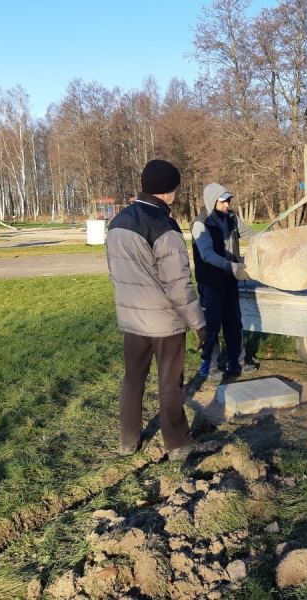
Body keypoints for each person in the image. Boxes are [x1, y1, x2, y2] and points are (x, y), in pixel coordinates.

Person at [106, 159, 217, 461]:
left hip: (132, 319)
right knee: (170, 384)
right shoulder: (164, 226)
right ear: (168, 192)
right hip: (165, 321)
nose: (176, 194)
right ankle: (179, 445)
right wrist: (199, 323)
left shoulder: (117, 222)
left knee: (133, 380)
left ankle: (128, 441)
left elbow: (114, 272)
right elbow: (178, 283)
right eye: (176, 189)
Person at [191, 182, 257, 380]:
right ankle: (209, 367)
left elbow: (249, 235)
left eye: (228, 200)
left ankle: (237, 362)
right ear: (212, 202)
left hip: (230, 280)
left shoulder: (231, 217)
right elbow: (207, 254)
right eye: (223, 201)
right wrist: (233, 266)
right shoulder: (200, 224)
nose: (227, 204)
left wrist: (268, 240)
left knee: (233, 322)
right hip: (210, 282)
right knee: (212, 325)